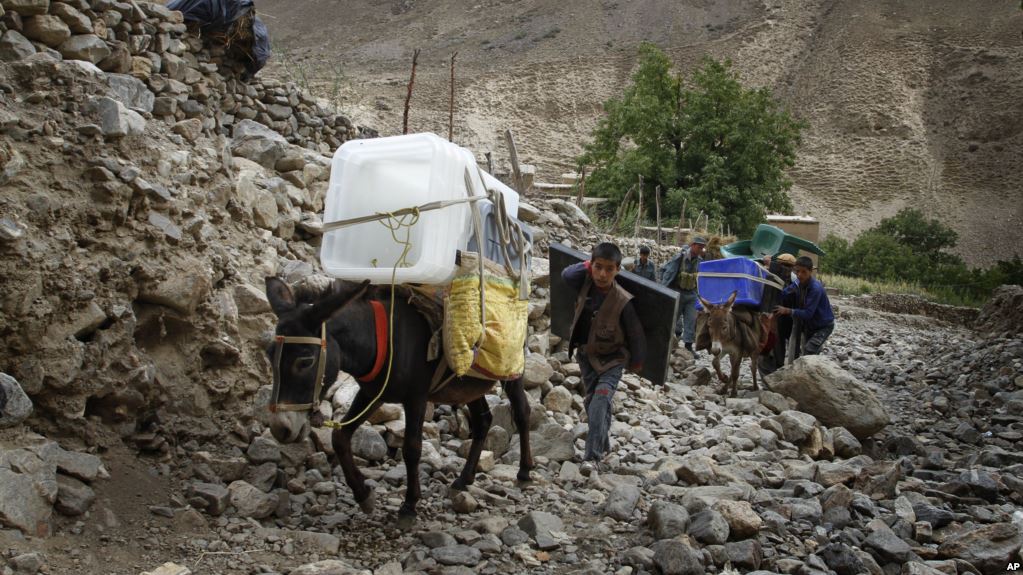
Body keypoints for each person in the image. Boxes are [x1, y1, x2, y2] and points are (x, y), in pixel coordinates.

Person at [562, 242, 647, 474]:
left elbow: (636, 333)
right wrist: (588, 264)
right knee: (592, 402)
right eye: (598, 267)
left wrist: (637, 362)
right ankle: (604, 443)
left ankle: (592, 457)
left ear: (618, 270)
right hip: (587, 356)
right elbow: (566, 274)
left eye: (609, 269)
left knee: (600, 400)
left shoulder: (622, 300)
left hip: (613, 360)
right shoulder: (585, 282)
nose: (602, 274)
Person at [775, 256, 835, 356]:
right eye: (797, 271)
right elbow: (785, 293)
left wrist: (787, 310)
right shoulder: (798, 282)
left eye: (804, 272)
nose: (799, 275)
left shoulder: (815, 288)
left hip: (823, 326)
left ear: (810, 271)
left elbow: (808, 314)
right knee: (808, 352)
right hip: (810, 326)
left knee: (809, 350)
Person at [659, 236, 707, 353]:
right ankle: (664, 343)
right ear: (693, 245)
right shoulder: (679, 258)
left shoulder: (700, 262)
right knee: (673, 319)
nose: (701, 249)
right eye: (699, 247)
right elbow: (667, 273)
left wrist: (700, 295)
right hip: (678, 292)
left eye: (702, 247)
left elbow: (700, 279)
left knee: (691, 320)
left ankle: (688, 347)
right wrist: (663, 292)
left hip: (691, 295)